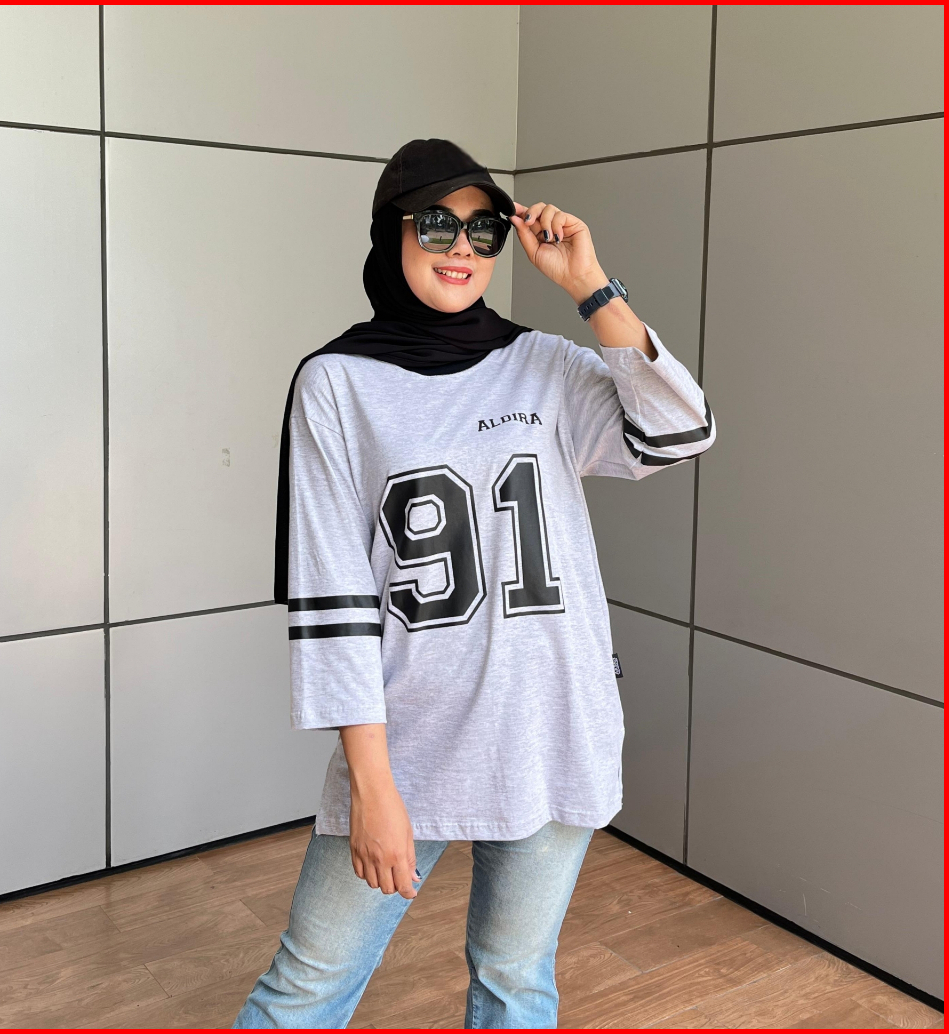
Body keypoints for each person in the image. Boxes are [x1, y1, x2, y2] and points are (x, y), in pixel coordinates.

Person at [234, 138, 716, 1029]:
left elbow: (680, 432)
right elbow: (332, 598)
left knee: (515, 980)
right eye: (436, 224)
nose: (462, 247)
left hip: (553, 722)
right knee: (305, 990)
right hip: (410, 740)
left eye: (484, 229)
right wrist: (371, 784)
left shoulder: (545, 364)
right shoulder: (336, 383)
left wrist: (590, 286)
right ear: (391, 234)